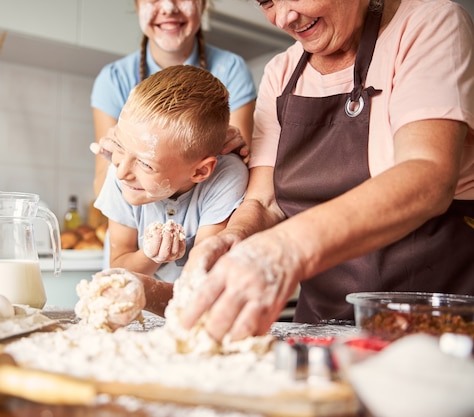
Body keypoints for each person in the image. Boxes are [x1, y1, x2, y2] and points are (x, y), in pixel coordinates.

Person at [176, 0, 474, 342]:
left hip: (432, 324)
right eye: (266, 2)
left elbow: (427, 173)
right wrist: (234, 239)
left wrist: (286, 248)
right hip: (321, 328)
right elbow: (263, 201)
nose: (285, 17)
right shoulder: (281, 72)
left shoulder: (429, 22)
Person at [93, 65, 249, 316]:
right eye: (119, 147)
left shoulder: (226, 177)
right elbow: (119, 262)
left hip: (206, 319)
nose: (123, 172)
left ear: (199, 172)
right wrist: (150, 255)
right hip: (138, 320)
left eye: (145, 163)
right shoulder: (120, 173)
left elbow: (203, 282)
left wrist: (145, 290)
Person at [91, 0, 257, 196]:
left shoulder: (231, 70)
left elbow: (237, 177)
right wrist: (117, 152)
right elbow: (102, 189)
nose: (169, 7)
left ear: (203, 4)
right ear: (136, 5)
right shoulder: (113, 79)